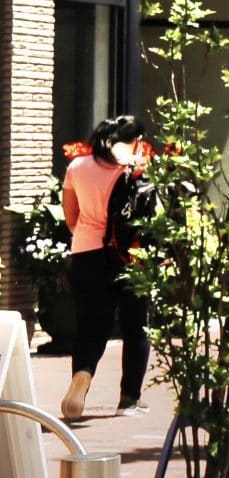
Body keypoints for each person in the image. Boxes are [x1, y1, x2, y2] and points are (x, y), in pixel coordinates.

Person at [60, 116, 150, 421]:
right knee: (134, 327)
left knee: (89, 326)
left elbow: (71, 216)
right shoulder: (135, 171)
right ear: (133, 140)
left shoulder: (77, 167)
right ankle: (128, 400)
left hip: (86, 252)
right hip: (129, 256)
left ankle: (82, 376)